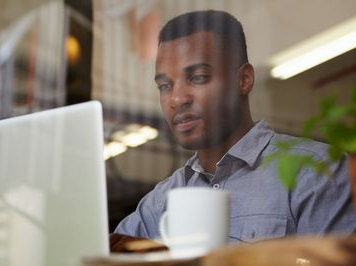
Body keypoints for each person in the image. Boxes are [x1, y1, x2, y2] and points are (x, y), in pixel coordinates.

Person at [114, 10, 356, 244]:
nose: (177, 99)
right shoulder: (158, 205)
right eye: (165, 86)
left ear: (244, 79)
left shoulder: (317, 174)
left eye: (198, 77)